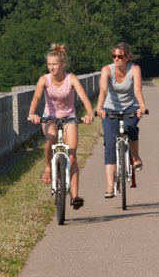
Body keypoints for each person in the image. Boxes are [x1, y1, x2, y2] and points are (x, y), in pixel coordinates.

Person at [28, 44, 94, 209]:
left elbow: (83, 96)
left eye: (54, 64)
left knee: (72, 155)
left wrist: (89, 113)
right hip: (49, 117)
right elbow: (36, 97)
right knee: (50, 139)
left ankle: (75, 196)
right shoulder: (44, 80)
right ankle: (47, 168)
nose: (51, 67)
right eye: (49, 64)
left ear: (62, 64)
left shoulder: (71, 79)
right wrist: (32, 113)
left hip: (69, 117)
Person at [95, 42, 148, 198]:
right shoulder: (107, 70)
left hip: (131, 107)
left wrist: (142, 106)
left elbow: (137, 90)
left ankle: (135, 157)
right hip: (110, 108)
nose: (116, 59)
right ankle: (110, 185)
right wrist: (99, 107)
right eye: (114, 56)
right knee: (110, 143)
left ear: (127, 58)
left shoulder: (134, 69)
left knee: (130, 129)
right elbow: (103, 90)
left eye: (120, 56)